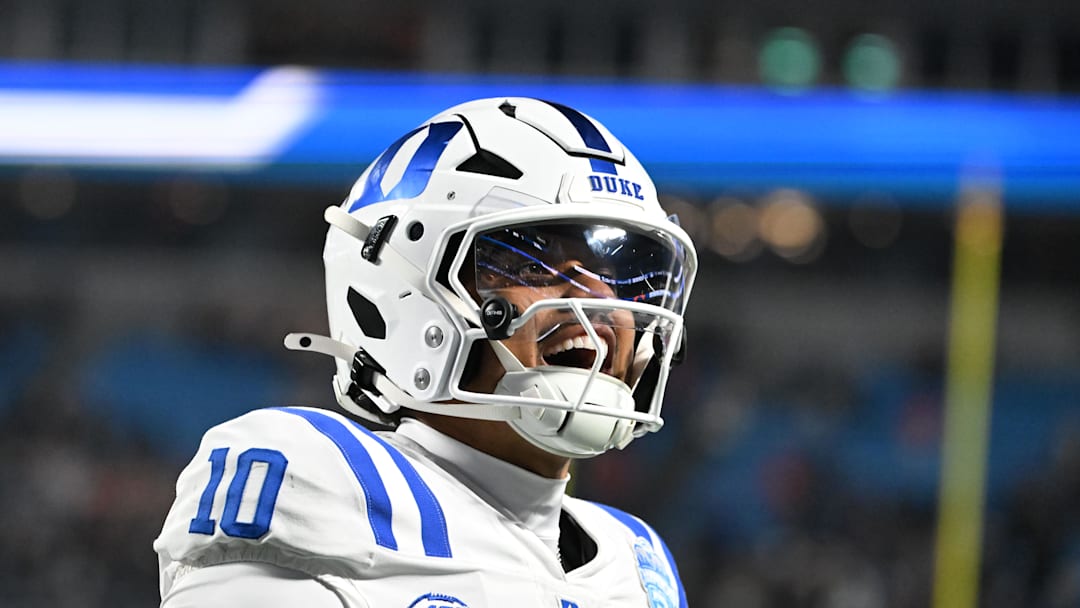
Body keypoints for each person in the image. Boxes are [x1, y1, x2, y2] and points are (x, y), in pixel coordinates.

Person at [154, 97, 698, 607]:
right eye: (535, 265)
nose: (603, 303)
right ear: (410, 291)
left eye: (621, 278)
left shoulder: (637, 559)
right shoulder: (322, 479)